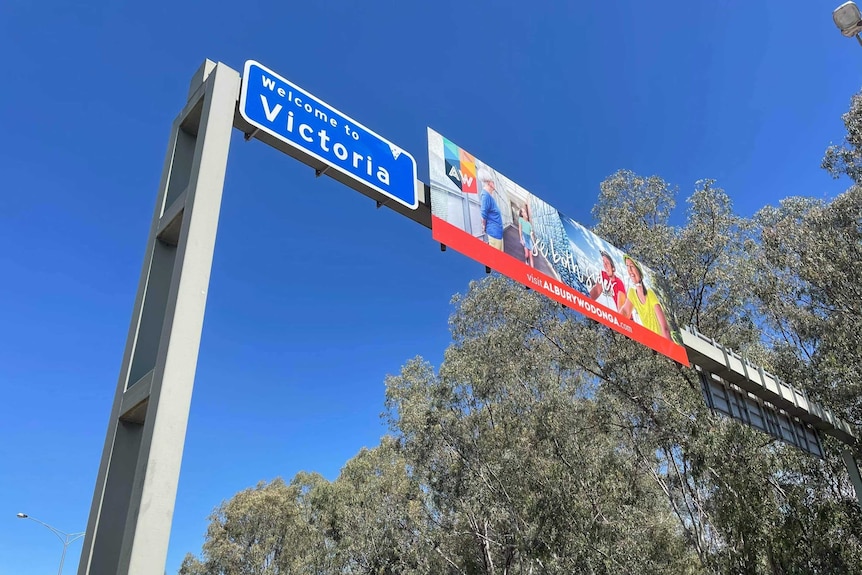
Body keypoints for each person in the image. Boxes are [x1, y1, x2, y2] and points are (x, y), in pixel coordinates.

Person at [619, 255, 672, 340]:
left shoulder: (650, 294)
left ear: (639, 271)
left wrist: (669, 349)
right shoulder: (632, 293)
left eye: (632, 266)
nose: (629, 270)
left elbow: (664, 327)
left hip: (662, 340)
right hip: (651, 341)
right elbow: (625, 311)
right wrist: (614, 320)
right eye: (627, 266)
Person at [477, 168, 504, 251]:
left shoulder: (489, 196)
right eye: (493, 182)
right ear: (489, 183)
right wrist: (484, 228)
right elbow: (483, 215)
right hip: (494, 233)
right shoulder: (485, 196)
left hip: (497, 233)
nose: (494, 185)